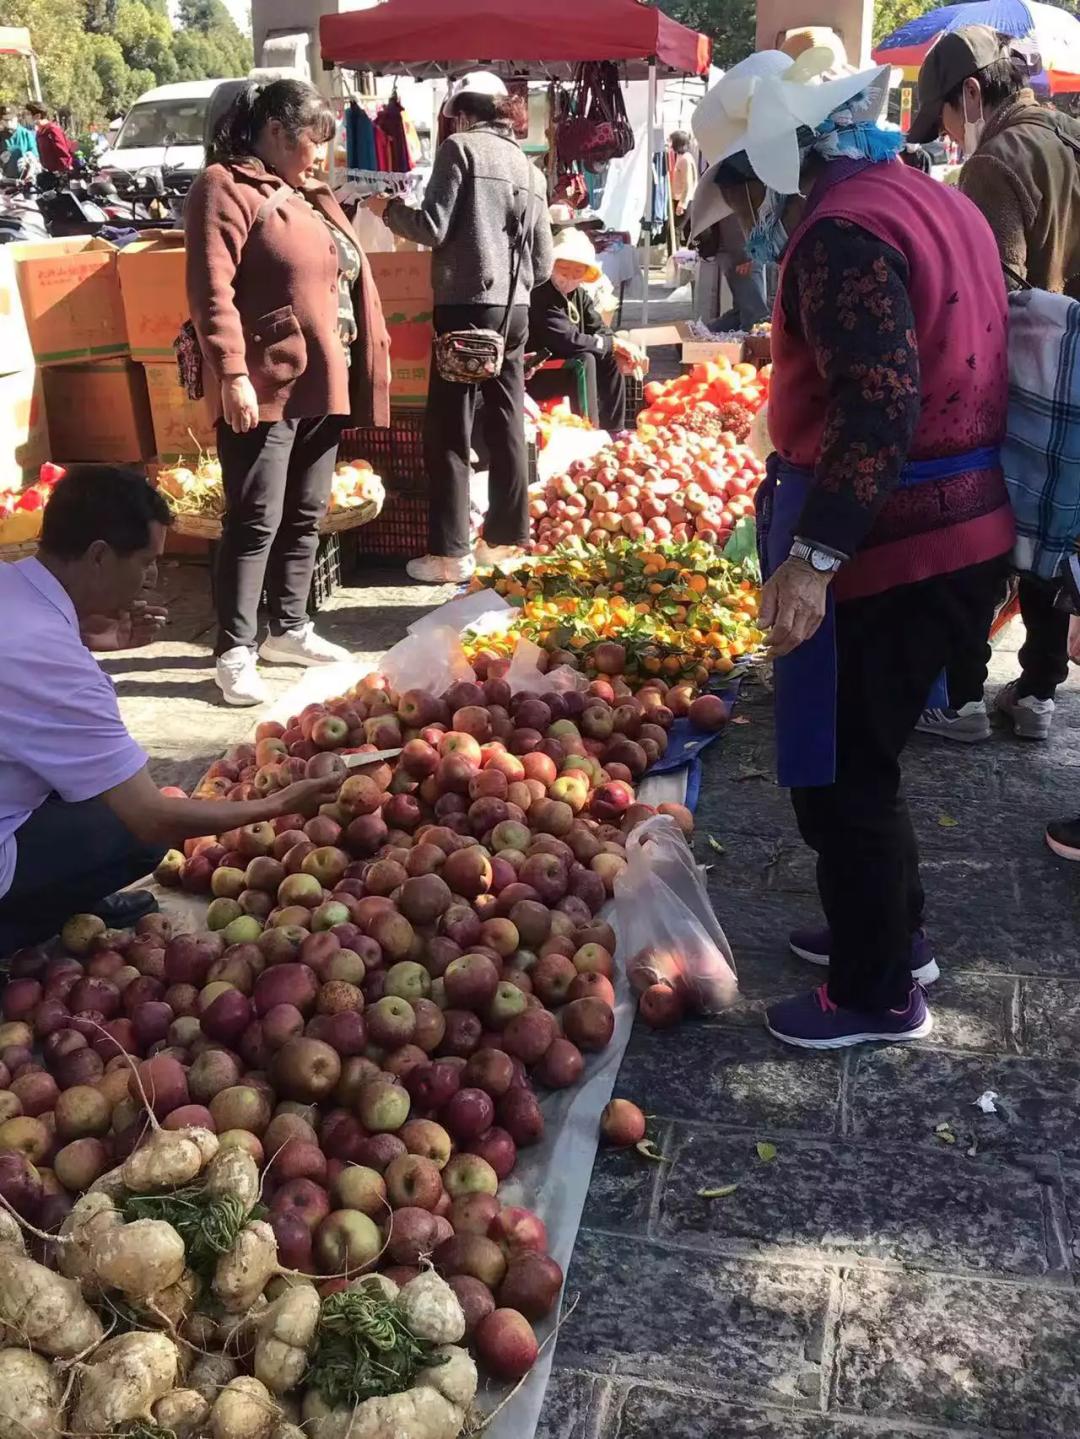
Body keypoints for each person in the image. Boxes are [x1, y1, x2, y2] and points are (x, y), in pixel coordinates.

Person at [697, 47, 1015, 1049]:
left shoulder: (838, 234)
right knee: (870, 751)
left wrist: (813, 559)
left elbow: (880, 403)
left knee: (842, 772)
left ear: (769, 168)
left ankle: (876, 992)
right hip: (967, 523)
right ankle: (890, 934)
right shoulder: (928, 195)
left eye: (741, 195)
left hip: (891, 543)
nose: (747, 221)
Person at [0, 467, 342, 954]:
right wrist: (280, 805)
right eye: (146, 561)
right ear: (99, 556)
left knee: (86, 780)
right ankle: (22, 920)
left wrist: (92, 636)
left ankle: (71, 899)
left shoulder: (10, 586)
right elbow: (153, 818)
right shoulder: (56, 663)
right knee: (133, 833)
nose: (154, 576)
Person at [185, 78, 390, 707]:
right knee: (254, 519)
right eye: (311, 142)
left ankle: (291, 627)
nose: (319, 157)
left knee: (306, 513)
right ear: (275, 132)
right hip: (268, 377)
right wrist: (234, 373)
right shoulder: (224, 187)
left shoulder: (302, 194)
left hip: (324, 374)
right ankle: (236, 649)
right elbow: (211, 289)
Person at [908, 27, 1080, 744]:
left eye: (945, 118)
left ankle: (962, 696)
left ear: (971, 94)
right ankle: (1040, 689)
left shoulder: (997, 161)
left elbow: (991, 293)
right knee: (1055, 534)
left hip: (1025, 375)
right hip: (1073, 371)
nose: (948, 137)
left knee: (988, 535)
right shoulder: (1068, 137)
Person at [366, 71, 553, 584]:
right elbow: (543, 261)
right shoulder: (529, 168)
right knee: (507, 421)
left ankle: (450, 554)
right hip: (515, 311)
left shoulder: (459, 149)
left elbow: (432, 226)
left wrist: (387, 210)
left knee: (449, 426)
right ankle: (506, 542)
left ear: (464, 114)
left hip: (467, 305)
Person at [528, 226, 645, 432]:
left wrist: (615, 345)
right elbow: (567, 340)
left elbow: (599, 327)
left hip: (566, 369)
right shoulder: (540, 294)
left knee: (608, 355)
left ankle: (614, 429)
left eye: (577, 272)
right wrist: (611, 343)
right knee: (586, 359)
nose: (569, 277)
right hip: (541, 372)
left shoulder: (579, 295)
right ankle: (589, 427)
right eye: (563, 269)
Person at [26, 102, 75, 176]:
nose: (26, 117)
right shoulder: (40, 132)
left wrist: (63, 172)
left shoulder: (52, 130)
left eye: (28, 114)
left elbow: (63, 152)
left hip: (61, 174)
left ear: (38, 116)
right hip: (49, 173)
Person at [669, 130, 697, 241]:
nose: (669, 144)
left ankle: (674, 255)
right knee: (682, 230)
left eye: (671, 141)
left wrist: (682, 203)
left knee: (675, 230)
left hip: (683, 199)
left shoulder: (685, 159)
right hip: (681, 198)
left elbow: (688, 183)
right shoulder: (683, 157)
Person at [0, 107, 38, 180]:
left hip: (27, 178)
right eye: (5, 120)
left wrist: (28, 159)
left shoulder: (26, 134)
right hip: (7, 179)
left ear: (16, 118)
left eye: (11, 119)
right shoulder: (1, 136)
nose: (9, 122)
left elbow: (35, 155)